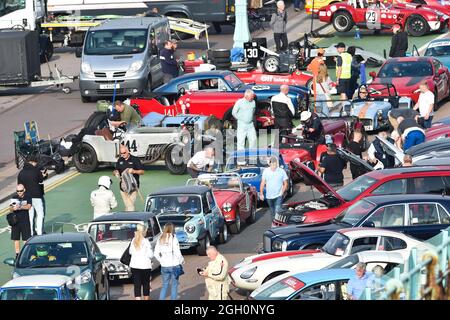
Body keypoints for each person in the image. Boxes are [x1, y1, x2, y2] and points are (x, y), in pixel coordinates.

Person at [17, 155, 46, 236]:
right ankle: (40, 233)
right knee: (40, 214)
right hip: (37, 196)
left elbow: (19, 185)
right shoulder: (36, 171)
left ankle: (31, 233)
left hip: (26, 197)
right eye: (35, 163)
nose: (36, 165)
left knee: (30, 215)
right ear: (32, 162)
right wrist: (43, 175)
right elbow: (41, 180)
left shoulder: (21, 173)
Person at [154, 223, 184, 300]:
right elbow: (177, 252)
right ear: (172, 229)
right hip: (174, 265)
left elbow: (155, 253)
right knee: (174, 285)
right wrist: (182, 260)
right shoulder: (173, 238)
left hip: (164, 266)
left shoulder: (160, 238)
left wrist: (161, 261)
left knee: (165, 285)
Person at [113, 144, 145, 211]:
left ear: (128, 151)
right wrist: (116, 172)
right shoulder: (120, 160)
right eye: (121, 153)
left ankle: (130, 220)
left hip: (133, 187)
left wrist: (134, 171)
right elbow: (115, 170)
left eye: (124, 153)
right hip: (123, 188)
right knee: (127, 206)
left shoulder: (135, 159)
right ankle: (127, 219)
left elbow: (142, 172)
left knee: (130, 207)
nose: (123, 155)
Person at [129, 224, 153, 300]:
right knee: (146, 284)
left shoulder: (133, 240)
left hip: (135, 265)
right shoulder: (146, 241)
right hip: (145, 266)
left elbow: (130, 252)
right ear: (144, 232)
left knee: (137, 284)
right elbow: (151, 255)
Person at [9, 184, 32, 257]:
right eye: (18, 191)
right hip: (15, 221)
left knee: (26, 239)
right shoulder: (14, 198)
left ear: (24, 190)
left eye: (21, 191)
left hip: (25, 221)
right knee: (16, 239)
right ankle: (17, 255)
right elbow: (10, 208)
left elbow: (29, 206)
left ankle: (26, 254)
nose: (19, 192)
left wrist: (20, 207)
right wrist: (13, 208)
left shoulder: (28, 196)